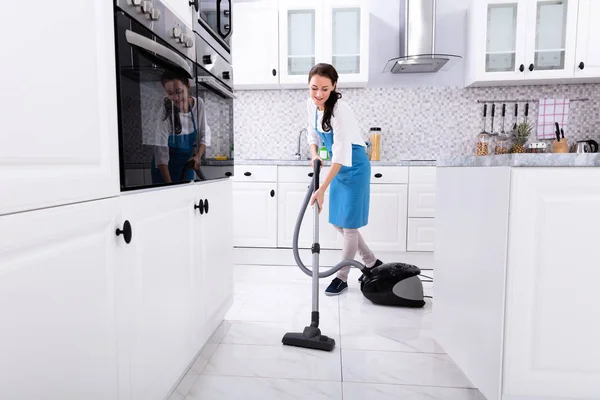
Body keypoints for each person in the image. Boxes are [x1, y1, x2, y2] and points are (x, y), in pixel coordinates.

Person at [306, 63, 383, 296]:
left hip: (355, 165)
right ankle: (370, 261)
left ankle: (342, 277)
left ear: (334, 87)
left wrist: (320, 189)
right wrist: (314, 153)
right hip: (338, 167)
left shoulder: (341, 109)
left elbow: (340, 155)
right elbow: (312, 133)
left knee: (349, 226)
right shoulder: (311, 105)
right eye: (314, 88)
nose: (318, 94)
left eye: (325, 89)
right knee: (338, 221)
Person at [151, 71, 208, 184]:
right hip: (164, 171)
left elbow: (204, 133)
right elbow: (161, 153)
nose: (176, 98)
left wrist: (198, 156)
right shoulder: (165, 112)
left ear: (187, 86)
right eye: (170, 93)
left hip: (186, 167)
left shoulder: (199, 105)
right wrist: (170, 185)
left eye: (179, 92)